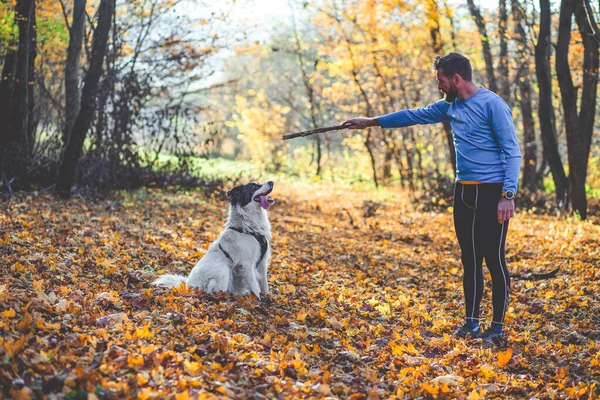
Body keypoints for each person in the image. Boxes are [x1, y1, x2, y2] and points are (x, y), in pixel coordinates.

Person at [343, 52, 521, 344]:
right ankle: (471, 324)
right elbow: (411, 115)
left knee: (493, 259)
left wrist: (508, 194)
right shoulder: (449, 107)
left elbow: (512, 151)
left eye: (440, 80)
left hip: (493, 193)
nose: (438, 86)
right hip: (463, 191)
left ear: (456, 79)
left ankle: (497, 327)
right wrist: (369, 122)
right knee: (470, 259)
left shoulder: (493, 105)